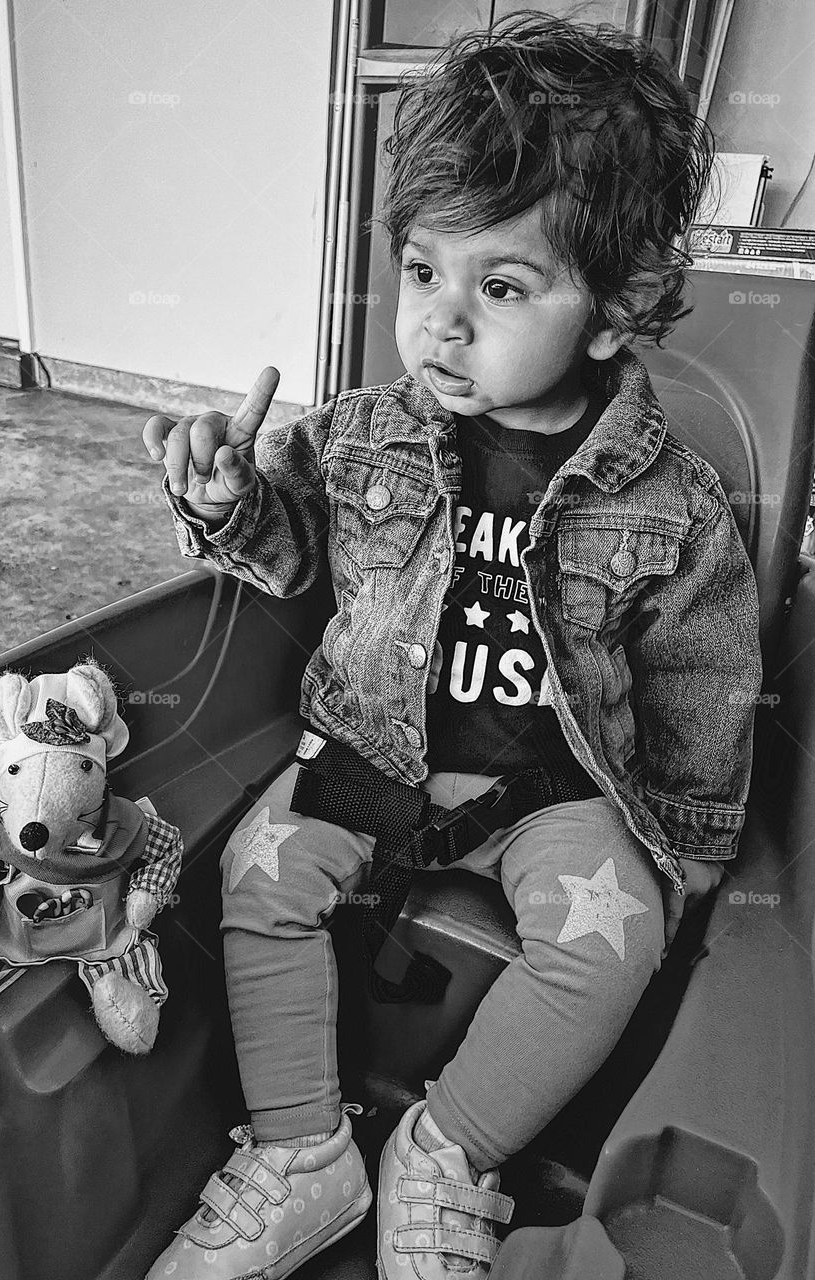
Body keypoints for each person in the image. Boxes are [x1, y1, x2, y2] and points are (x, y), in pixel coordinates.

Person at [140, 14, 762, 1280]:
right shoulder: (366, 431)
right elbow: (294, 548)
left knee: (613, 938)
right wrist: (222, 505)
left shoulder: (673, 500)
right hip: (375, 750)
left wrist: (688, 856)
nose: (441, 324)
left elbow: (701, 678)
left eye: (504, 286)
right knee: (257, 867)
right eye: (423, 272)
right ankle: (305, 1150)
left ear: (617, 307)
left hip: (549, 793)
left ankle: (445, 1150)